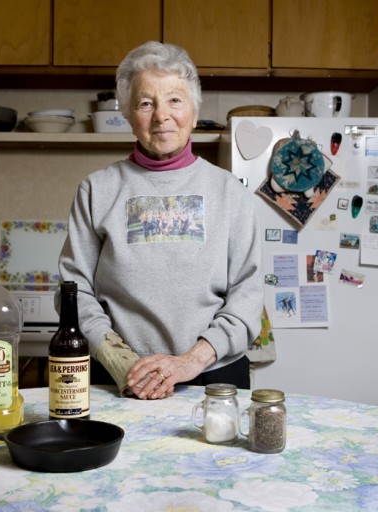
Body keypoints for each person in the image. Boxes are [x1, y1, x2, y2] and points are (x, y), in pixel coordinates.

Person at [59, 41, 263, 400]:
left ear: (194, 112)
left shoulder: (230, 192)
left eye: (174, 99)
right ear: (127, 114)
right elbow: (73, 290)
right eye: (145, 103)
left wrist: (189, 362)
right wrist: (118, 360)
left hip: (213, 376)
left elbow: (247, 295)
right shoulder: (97, 190)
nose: (161, 115)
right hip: (117, 377)